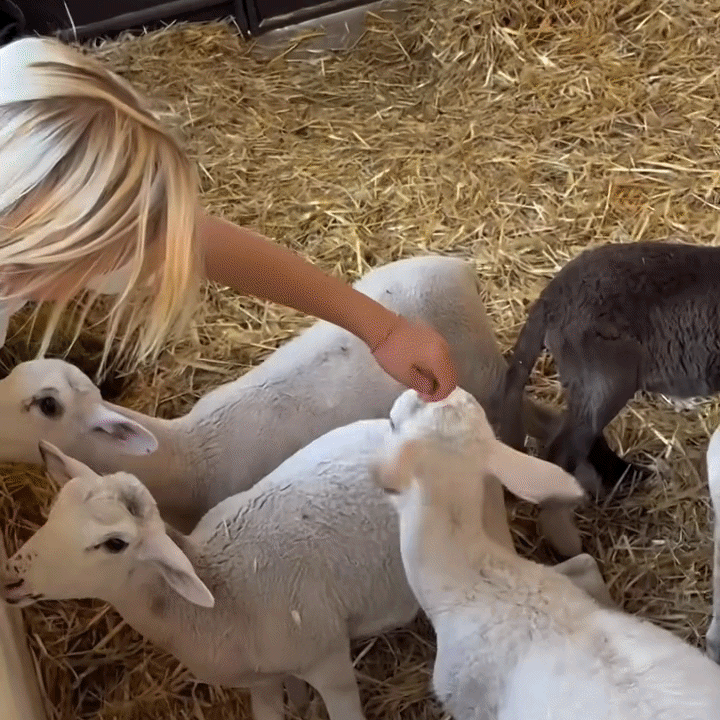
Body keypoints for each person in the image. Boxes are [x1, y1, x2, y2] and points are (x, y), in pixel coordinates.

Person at [0, 36, 458, 401]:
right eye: (88, 266)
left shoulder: (20, 92)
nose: (101, 273)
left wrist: (384, 330)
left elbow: (198, 243)